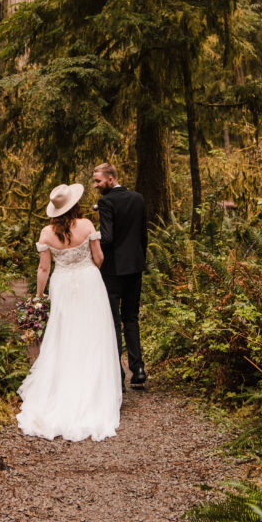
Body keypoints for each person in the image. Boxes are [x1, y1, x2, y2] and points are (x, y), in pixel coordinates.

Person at [17, 182, 123, 442]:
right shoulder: (87, 225)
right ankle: (93, 392)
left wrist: (39, 297)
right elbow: (99, 259)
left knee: (64, 335)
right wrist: (87, 264)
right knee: (92, 334)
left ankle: (61, 391)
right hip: (89, 281)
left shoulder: (46, 233)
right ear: (75, 205)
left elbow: (43, 269)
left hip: (62, 284)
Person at [92, 163, 147, 389]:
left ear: (112, 179)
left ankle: (118, 376)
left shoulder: (106, 202)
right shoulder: (138, 198)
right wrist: (139, 259)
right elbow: (143, 235)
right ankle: (139, 369)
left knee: (113, 322)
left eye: (98, 181)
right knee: (131, 319)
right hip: (135, 268)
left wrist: (91, 243)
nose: (95, 186)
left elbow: (107, 238)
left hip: (113, 270)